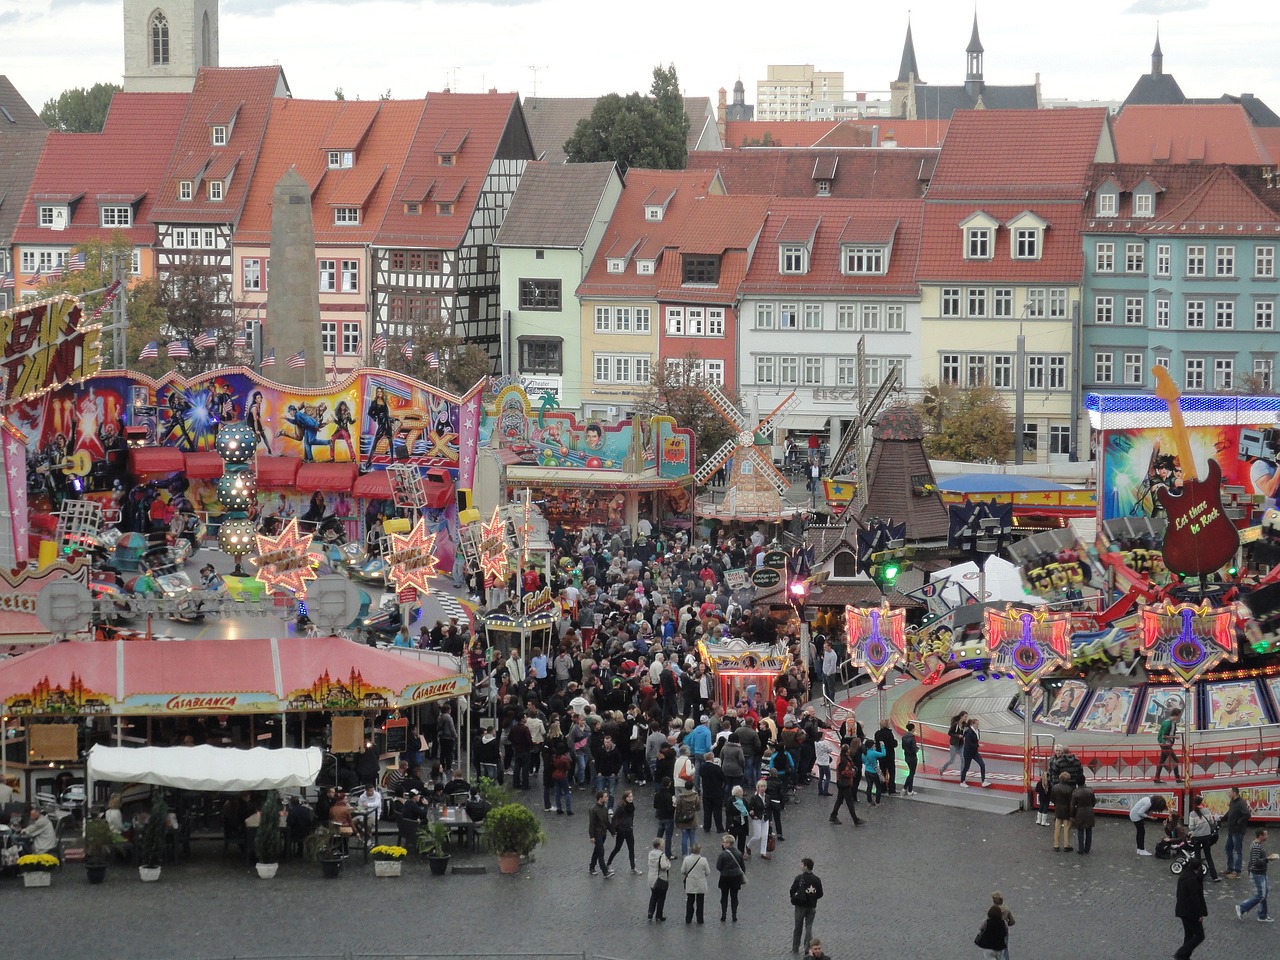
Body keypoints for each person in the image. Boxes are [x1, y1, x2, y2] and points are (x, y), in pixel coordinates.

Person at [1236, 827, 1276, 922]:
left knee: (1264, 894)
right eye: (1266, 834)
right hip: (1258, 874)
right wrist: (1268, 859)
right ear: (1261, 835)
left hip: (1260, 872)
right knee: (1261, 895)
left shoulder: (1256, 844)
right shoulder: (1256, 847)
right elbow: (1255, 861)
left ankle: (1262, 915)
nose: (1267, 836)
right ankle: (1242, 908)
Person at [1173, 859, 1208, 959]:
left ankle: (1184, 957)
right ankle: (1181, 953)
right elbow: (1195, 899)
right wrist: (1200, 914)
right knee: (1199, 936)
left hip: (1182, 909)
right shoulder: (1193, 880)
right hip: (1191, 912)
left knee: (1188, 934)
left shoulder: (1184, 876)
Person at [789, 856, 824, 953]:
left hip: (800, 906)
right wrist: (812, 897)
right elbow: (820, 893)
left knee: (798, 927)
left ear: (805, 866)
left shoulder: (799, 878)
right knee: (809, 927)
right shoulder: (817, 879)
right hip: (811, 906)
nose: (800, 866)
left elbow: (792, 890)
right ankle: (807, 948)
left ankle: (795, 948)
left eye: (802, 864)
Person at [829, 740, 864, 826]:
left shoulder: (842, 758)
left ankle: (833, 815)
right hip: (845, 783)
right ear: (846, 751)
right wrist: (852, 772)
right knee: (849, 802)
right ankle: (855, 819)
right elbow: (845, 772)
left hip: (840, 782)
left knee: (840, 800)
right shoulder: (845, 761)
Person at [1187, 795, 1221, 882]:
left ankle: (1199, 876)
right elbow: (1211, 822)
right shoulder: (1206, 810)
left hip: (1197, 837)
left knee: (1197, 857)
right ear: (1201, 802)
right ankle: (1214, 876)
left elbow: (1191, 827)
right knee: (1208, 856)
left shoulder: (1192, 813)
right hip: (1206, 836)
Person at [606, 789, 638, 874]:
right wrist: (613, 830)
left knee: (631, 849)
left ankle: (633, 867)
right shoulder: (621, 807)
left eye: (631, 796)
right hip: (622, 830)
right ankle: (608, 863)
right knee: (617, 848)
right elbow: (614, 818)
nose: (631, 798)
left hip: (629, 829)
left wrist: (631, 824)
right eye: (629, 797)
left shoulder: (631, 806)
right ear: (625, 798)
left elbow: (631, 816)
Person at [715, 832, 746, 922]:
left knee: (724, 897)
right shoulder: (738, 853)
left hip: (725, 877)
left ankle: (723, 914)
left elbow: (718, 866)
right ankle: (734, 915)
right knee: (734, 897)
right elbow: (742, 866)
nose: (723, 843)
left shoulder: (723, 855)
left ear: (728, 843)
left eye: (724, 842)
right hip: (735, 877)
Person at [1223, 785, 1252, 878]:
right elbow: (1230, 812)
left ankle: (1237, 871)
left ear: (1234, 793)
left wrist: (1239, 821)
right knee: (1228, 848)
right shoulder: (1233, 801)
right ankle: (1230, 868)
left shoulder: (1240, 803)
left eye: (1229, 792)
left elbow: (1247, 814)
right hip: (1231, 830)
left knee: (1237, 850)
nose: (1228, 794)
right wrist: (1222, 818)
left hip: (1238, 831)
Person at [682, 842, 712, 924]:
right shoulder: (703, 860)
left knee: (690, 901)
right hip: (700, 882)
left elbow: (683, 871)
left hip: (690, 882)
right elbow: (708, 872)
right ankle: (700, 919)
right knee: (700, 902)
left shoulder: (686, 859)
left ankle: (688, 918)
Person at [588, 790, 613, 878]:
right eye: (605, 797)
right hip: (597, 833)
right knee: (601, 852)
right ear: (600, 798)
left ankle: (591, 867)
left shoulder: (605, 808)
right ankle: (605, 872)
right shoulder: (593, 809)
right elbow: (592, 824)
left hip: (603, 833)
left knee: (597, 851)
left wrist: (612, 831)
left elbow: (606, 821)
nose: (607, 798)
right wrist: (591, 836)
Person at [746, 778, 772, 861]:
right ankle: (748, 845)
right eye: (761, 786)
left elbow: (769, 809)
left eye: (764, 786)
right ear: (758, 788)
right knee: (757, 836)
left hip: (765, 818)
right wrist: (753, 815)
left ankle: (763, 852)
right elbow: (749, 808)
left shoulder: (768, 797)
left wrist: (770, 819)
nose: (763, 788)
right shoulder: (754, 798)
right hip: (757, 819)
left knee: (764, 836)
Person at [1155, 707, 1183, 784]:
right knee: (1175, 760)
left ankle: (1156, 778)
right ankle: (1177, 778)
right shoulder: (1168, 723)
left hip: (1166, 744)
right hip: (1165, 744)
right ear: (1175, 715)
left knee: (1162, 761)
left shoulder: (1171, 722)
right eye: (1178, 716)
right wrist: (1175, 737)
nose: (1178, 717)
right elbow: (1164, 736)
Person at [1050, 771, 1075, 853]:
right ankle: (1066, 845)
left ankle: (1056, 845)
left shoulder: (1055, 788)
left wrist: (1056, 804)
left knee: (1057, 828)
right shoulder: (1069, 789)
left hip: (1058, 809)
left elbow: (1052, 798)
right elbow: (1071, 802)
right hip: (1066, 810)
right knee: (1066, 828)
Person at [1070, 778, 1097, 855]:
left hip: (1079, 812)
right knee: (1089, 831)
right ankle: (1087, 849)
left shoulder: (1075, 792)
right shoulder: (1090, 790)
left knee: (1080, 831)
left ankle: (1081, 849)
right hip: (1089, 812)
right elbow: (1094, 801)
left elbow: (1072, 805)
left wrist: (1072, 815)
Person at [674, 780, 701, 856]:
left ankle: (684, 853)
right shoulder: (695, 796)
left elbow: (678, 808)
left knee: (684, 837)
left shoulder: (681, 797)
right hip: (692, 819)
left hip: (683, 819)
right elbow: (698, 807)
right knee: (693, 837)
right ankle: (693, 852)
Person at [647, 838, 671, 921]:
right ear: (659, 846)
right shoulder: (662, 855)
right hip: (660, 879)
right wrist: (668, 863)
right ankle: (659, 915)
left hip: (651, 877)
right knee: (661, 897)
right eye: (662, 844)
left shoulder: (650, 853)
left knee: (653, 895)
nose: (663, 845)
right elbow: (664, 866)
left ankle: (650, 913)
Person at [960, 718, 989, 787]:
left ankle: (983, 781)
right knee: (966, 767)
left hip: (975, 752)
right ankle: (962, 781)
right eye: (976, 724)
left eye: (978, 724)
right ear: (972, 724)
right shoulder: (969, 732)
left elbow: (977, 739)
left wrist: (977, 745)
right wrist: (978, 745)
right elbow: (968, 743)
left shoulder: (977, 731)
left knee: (982, 764)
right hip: (968, 752)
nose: (978, 725)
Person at [939, 710, 968, 776]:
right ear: (961, 717)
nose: (966, 718)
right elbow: (950, 733)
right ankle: (942, 769)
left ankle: (962, 775)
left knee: (963, 759)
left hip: (961, 744)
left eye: (966, 717)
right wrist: (958, 736)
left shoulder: (964, 725)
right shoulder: (955, 724)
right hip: (954, 744)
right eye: (965, 717)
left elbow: (966, 732)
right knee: (952, 760)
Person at [990, 892, 1015, 960]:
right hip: (1004, 930)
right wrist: (1007, 923)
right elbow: (1012, 921)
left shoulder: (993, 910)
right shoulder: (1006, 909)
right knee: (1004, 949)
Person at [861, 737, 885, 805]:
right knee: (878, 787)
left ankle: (869, 801)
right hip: (874, 772)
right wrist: (883, 746)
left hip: (867, 771)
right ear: (871, 746)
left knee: (869, 786)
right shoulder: (873, 753)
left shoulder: (864, 753)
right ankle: (877, 801)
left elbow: (863, 762)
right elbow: (883, 754)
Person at [901, 721, 920, 796]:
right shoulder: (912, 737)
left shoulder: (904, 737)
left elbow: (903, 747)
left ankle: (905, 788)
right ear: (912, 729)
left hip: (907, 756)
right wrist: (917, 749)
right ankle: (909, 790)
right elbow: (914, 748)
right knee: (912, 774)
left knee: (911, 773)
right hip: (912, 757)